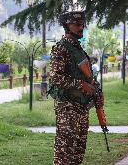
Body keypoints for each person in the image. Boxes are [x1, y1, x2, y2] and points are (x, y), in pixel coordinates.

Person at [48, 11, 105, 165]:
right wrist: (80, 85)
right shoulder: (61, 48)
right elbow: (55, 76)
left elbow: (87, 77)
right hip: (67, 106)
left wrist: (96, 90)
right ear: (67, 26)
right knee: (65, 151)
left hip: (80, 106)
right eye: (77, 25)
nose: (81, 28)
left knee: (77, 151)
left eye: (82, 25)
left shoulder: (78, 49)